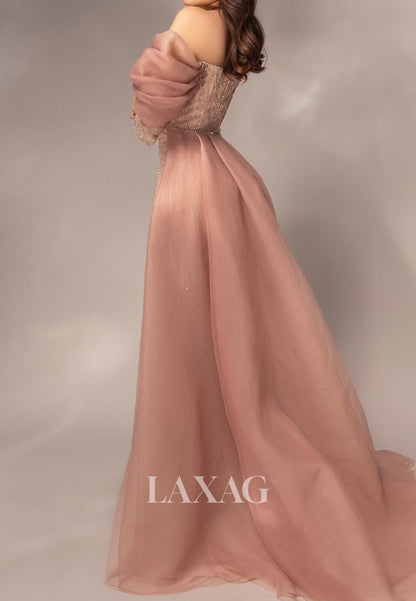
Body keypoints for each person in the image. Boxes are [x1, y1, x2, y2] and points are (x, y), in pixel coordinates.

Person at [105, 2, 416, 600]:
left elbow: (148, 119)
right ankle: (231, 477)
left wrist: (144, 101)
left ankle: (204, 501)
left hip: (190, 190)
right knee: (236, 338)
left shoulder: (190, 19)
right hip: (230, 180)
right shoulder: (233, 23)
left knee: (194, 339)